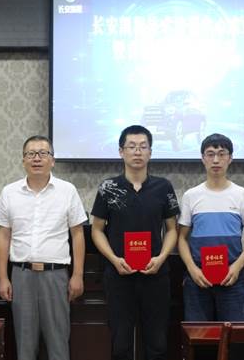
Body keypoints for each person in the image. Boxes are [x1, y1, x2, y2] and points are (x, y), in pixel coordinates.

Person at [0, 135, 86, 360]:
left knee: (58, 344)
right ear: (23, 160)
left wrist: (78, 275)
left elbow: (77, 234)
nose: (37, 158)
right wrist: (3, 277)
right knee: (25, 345)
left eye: (43, 153)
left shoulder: (67, 190)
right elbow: (3, 236)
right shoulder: (9, 192)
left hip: (56, 275)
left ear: (52, 160)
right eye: (31, 154)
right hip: (21, 275)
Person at [91, 125, 180, 360]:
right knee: (120, 343)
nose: (137, 152)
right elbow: (97, 230)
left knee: (157, 343)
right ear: (121, 152)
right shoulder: (108, 188)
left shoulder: (163, 187)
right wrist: (114, 259)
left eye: (143, 147)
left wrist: (161, 258)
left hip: (156, 275)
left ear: (150, 152)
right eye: (131, 146)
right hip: (119, 275)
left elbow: (172, 230)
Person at [177, 133, 244, 321]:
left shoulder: (241, 195)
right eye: (210, 154)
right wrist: (192, 268)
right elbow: (181, 237)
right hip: (198, 276)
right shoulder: (191, 195)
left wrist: (237, 267)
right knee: (198, 334)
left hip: (232, 276)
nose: (216, 160)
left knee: (234, 334)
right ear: (202, 158)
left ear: (230, 158)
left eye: (222, 154)